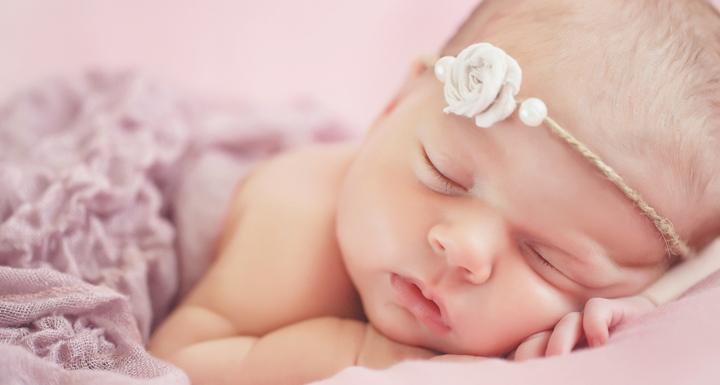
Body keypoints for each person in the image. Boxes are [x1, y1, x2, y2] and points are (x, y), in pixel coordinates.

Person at [147, 0, 720, 383]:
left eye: (550, 260)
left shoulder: (628, 277)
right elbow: (180, 361)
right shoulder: (298, 218)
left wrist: (633, 310)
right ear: (392, 107)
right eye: (442, 174)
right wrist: (364, 357)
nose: (462, 248)